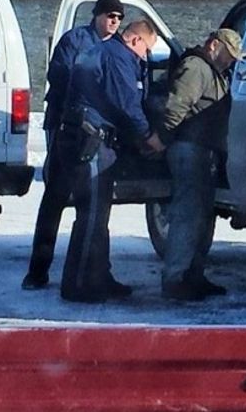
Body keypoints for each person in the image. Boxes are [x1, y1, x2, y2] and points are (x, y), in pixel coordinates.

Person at [22, 0, 125, 290]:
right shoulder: (75, 40)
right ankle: (38, 270)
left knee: (94, 210)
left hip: (96, 136)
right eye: (109, 16)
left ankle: (99, 272)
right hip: (66, 131)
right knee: (54, 199)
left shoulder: (115, 47)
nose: (114, 22)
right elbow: (61, 75)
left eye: (118, 18)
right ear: (97, 15)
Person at [58, 19, 165, 303]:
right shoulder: (119, 58)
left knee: (98, 216)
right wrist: (148, 136)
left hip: (92, 140)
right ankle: (78, 285)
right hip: (92, 141)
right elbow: (127, 104)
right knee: (91, 216)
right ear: (134, 41)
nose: (146, 57)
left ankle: (99, 277)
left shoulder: (104, 52)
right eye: (146, 50)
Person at [158, 29, 240, 301]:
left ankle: (193, 275)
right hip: (189, 150)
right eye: (228, 55)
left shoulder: (212, 71)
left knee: (203, 217)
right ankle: (175, 279)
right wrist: (164, 138)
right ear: (214, 45)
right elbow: (176, 106)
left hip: (203, 152)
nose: (230, 61)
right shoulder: (196, 67)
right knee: (187, 217)